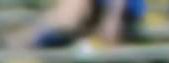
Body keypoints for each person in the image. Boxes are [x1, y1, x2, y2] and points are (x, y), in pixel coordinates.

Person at [12, 0, 145, 49]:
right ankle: (25, 38)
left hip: (122, 10)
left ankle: (24, 39)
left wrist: (111, 19)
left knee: (71, 9)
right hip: (95, 11)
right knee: (69, 8)